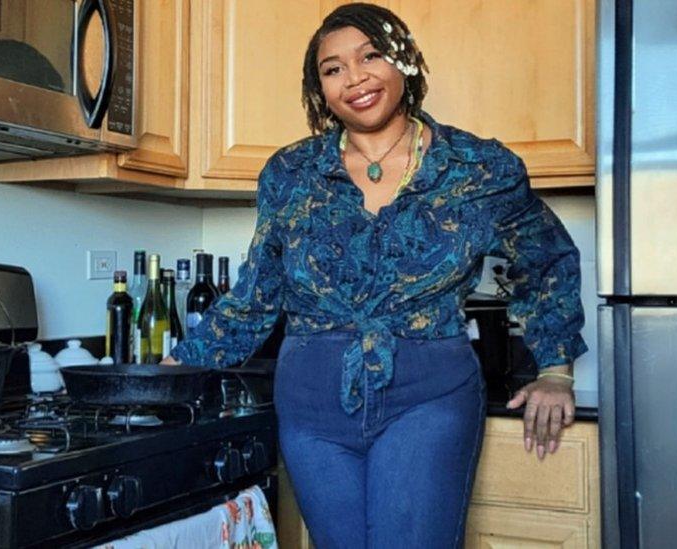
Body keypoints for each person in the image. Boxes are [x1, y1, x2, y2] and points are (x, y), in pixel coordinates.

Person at [164, 3, 586, 547]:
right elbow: (256, 296)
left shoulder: (478, 168)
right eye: (332, 68)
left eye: (371, 56)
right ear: (319, 89)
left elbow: (545, 256)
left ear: (404, 61)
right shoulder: (290, 174)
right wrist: (173, 369)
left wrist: (556, 370)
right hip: (311, 403)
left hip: (428, 397)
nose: (354, 78)